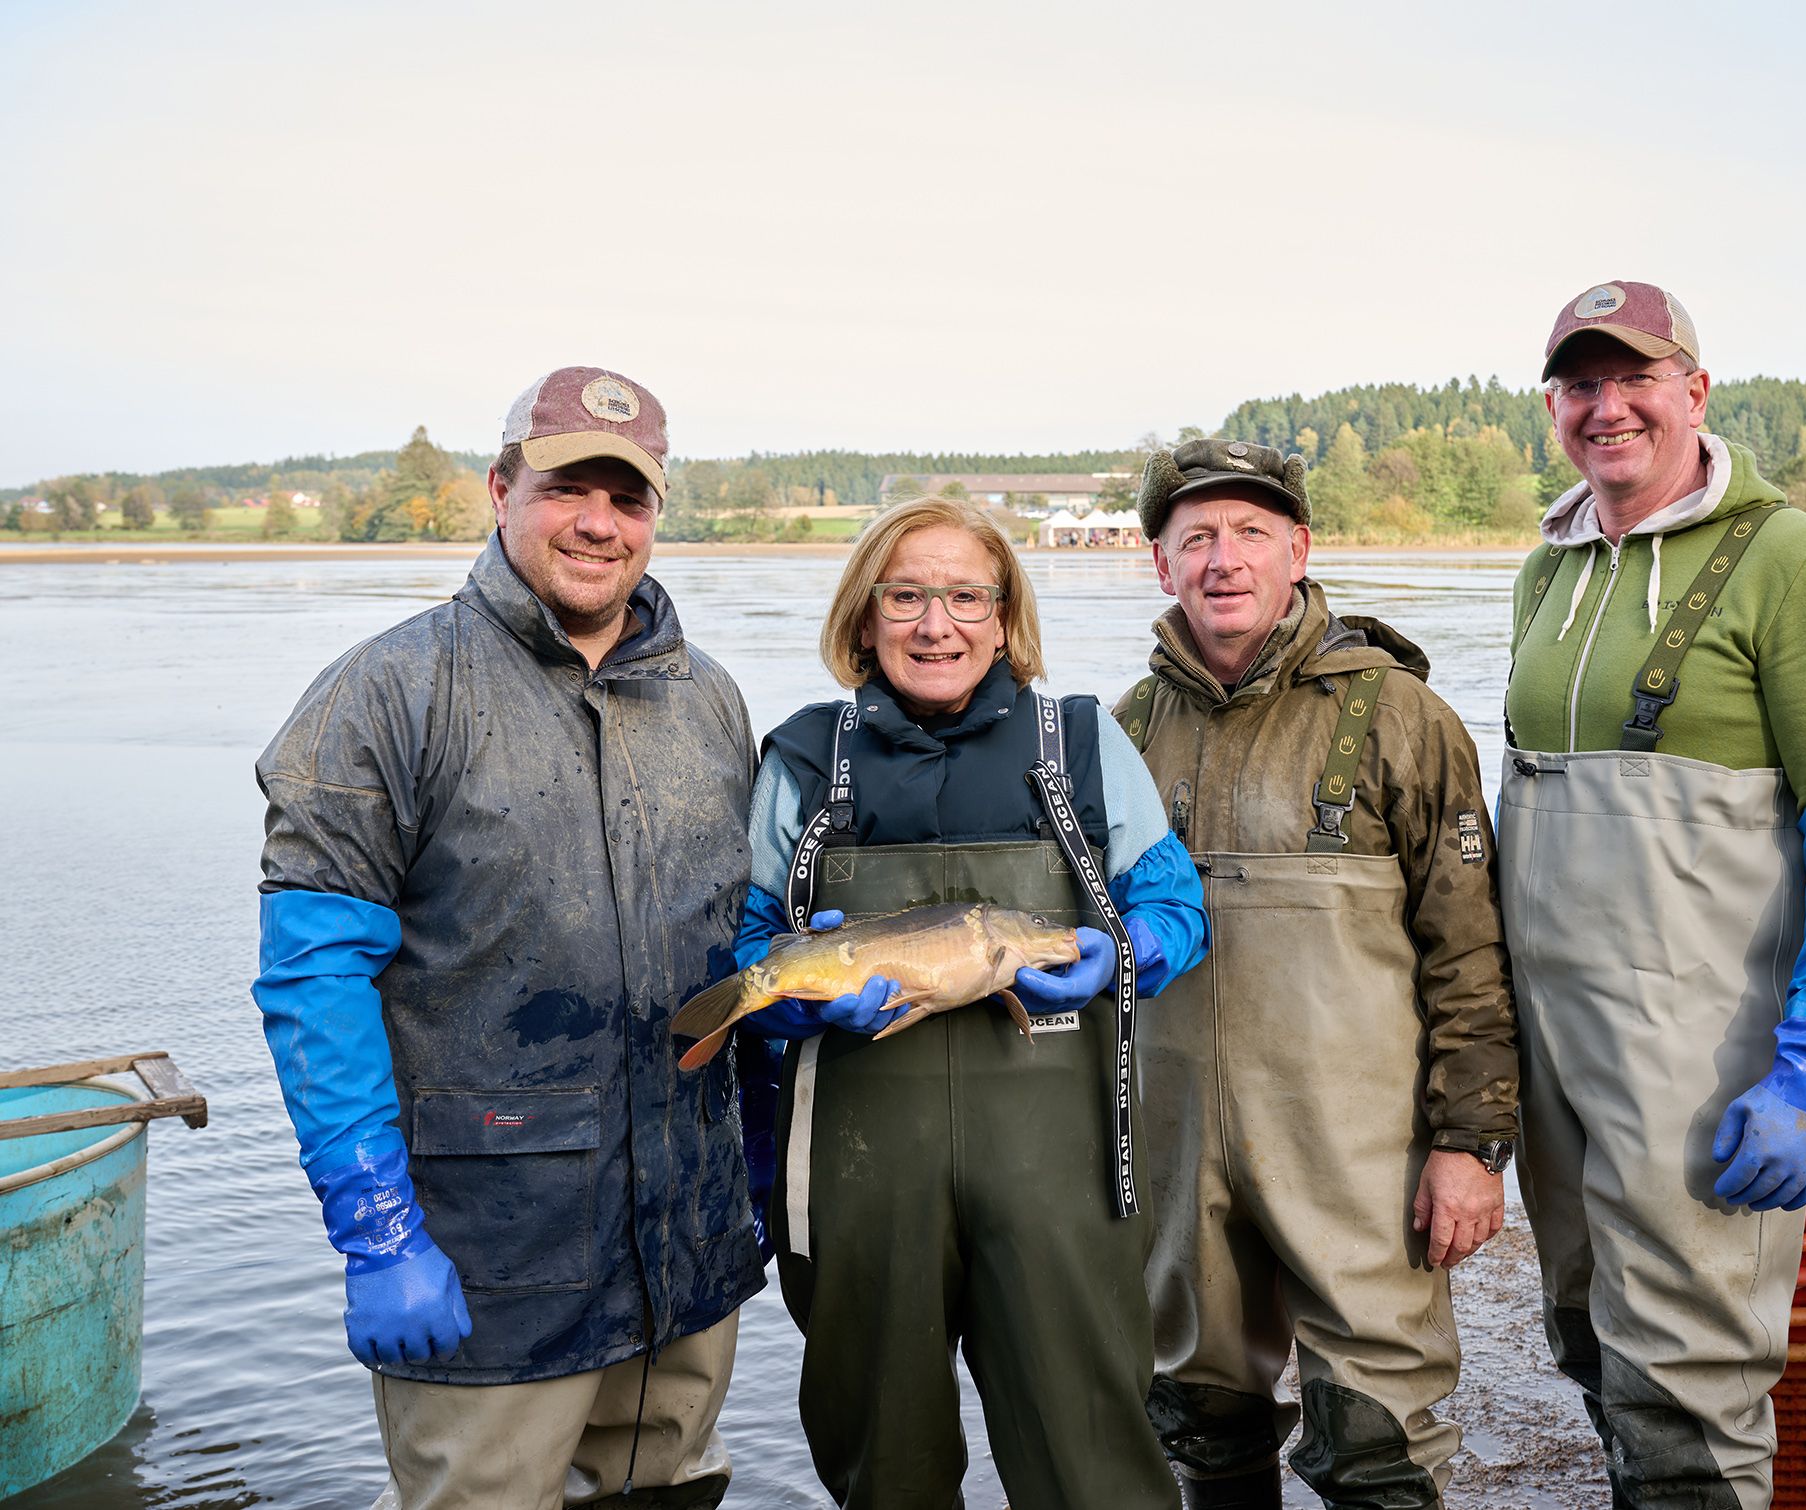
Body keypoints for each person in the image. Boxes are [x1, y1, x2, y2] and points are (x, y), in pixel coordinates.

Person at [251, 367, 759, 1510]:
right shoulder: (385, 696)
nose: (597, 522)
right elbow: (312, 979)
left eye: (627, 500)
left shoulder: (710, 700)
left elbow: (742, 951)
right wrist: (378, 1232)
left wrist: (763, 1173)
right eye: (565, 487)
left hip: (684, 1257)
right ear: (499, 489)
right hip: (486, 1269)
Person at [1499, 282, 1806, 1509]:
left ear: (1693, 388)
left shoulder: (1798, 563)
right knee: (1587, 1337)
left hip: (1700, 1057)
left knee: (1690, 1383)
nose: (1606, 406)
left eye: (1634, 376)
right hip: (1554, 1058)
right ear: (1552, 407)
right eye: (1579, 383)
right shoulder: (1545, 570)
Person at [735, 495, 1208, 1510]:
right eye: (904, 596)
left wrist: (1116, 953)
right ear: (864, 617)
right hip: (859, 1178)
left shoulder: (1077, 741)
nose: (933, 624)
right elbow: (743, 952)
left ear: (1003, 617)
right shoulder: (804, 758)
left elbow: (1174, 905)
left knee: (1093, 1462)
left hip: (1059, 1173)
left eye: (962, 596)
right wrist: (804, 1005)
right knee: (884, 1466)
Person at [1118, 439, 1520, 1509]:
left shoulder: (1398, 715)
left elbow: (1470, 949)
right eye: (1193, 536)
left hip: (1361, 1162)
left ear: (1298, 548)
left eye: (1250, 531)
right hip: (1177, 1157)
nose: (1222, 559)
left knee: (1373, 1440)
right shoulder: (1119, 733)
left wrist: (1472, 1145)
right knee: (1201, 1422)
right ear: (1158, 562)